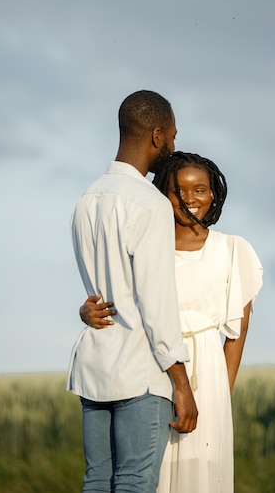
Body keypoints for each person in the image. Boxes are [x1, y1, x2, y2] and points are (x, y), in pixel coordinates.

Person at [80, 151, 263, 493]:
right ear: (161, 193)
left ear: (214, 194)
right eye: (177, 190)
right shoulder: (148, 244)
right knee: (152, 473)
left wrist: (219, 396)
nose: (189, 199)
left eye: (200, 190)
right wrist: (84, 312)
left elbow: (238, 333)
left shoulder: (233, 249)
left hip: (208, 376)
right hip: (152, 369)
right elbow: (118, 301)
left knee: (204, 475)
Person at [67, 92, 198, 493]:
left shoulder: (85, 199)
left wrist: (83, 311)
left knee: (97, 482)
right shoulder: (149, 203)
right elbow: (154, 301)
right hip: (141, 372)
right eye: (172, 137)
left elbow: (100, 285)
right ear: (157, 136)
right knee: (135, 483)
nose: (173, 146)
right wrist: (181, 380)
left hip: (94, 368)